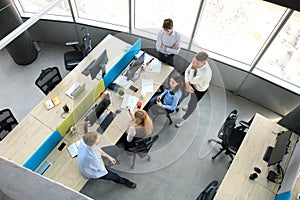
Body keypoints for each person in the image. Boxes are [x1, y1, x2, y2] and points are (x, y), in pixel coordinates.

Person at [175, 51, 212, 127]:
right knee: (183, 94)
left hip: (199, 89)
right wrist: (187, 84)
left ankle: (183, 119)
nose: (195, 64)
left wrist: (193, 67)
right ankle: (177, 104)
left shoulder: (205, 74)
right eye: (194, 61)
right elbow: (186, 72)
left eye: (197, 63)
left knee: (192, 105)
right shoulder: (196, 61)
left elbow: (191, 79)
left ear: (204, 63)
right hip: (192, 82)